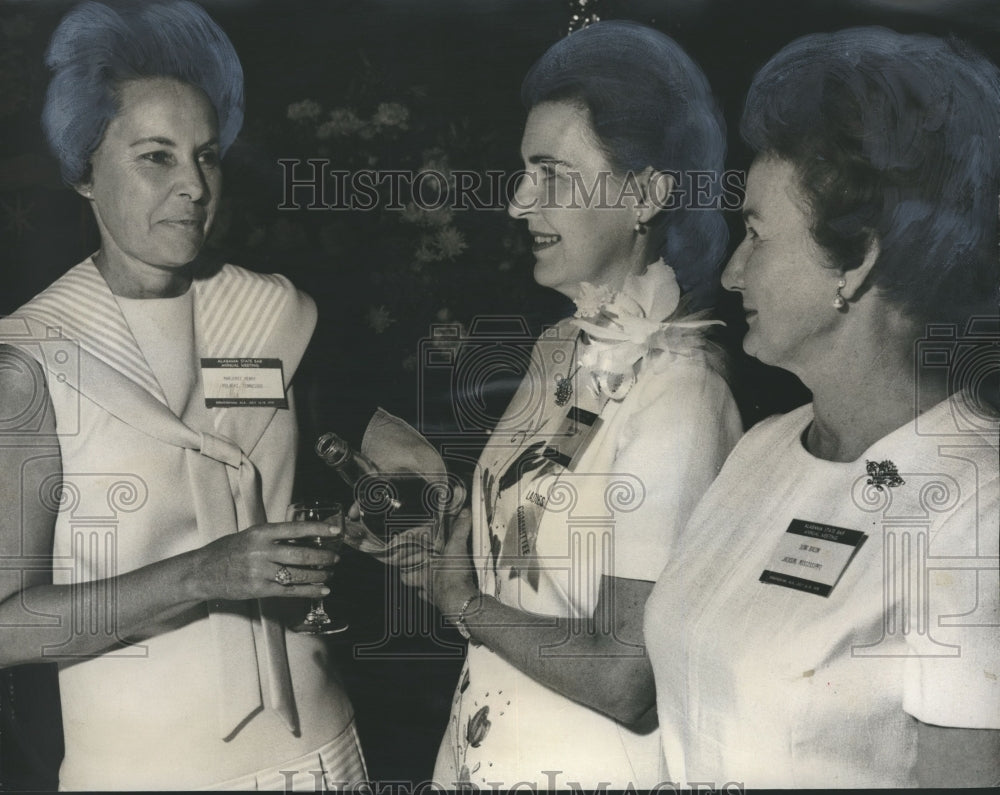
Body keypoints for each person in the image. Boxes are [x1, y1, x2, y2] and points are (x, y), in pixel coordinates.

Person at [0, 1, 366, 789]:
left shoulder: (275, 311)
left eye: (207, 157)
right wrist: (199, 575)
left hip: (321, 748)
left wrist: (390, 492)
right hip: (145, 769)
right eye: (156, 158)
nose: (195, 187)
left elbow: (347, 445)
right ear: (82, 172)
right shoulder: (29, 362)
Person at [644, 27, 1000, 788]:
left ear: (860, 257)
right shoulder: (763, 448)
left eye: (757, 234)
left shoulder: (978, 505)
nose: (732, 271)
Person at [390, 21, 742, 790]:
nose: (519, 203)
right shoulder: (560, 343)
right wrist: (433, 532)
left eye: (551, 174)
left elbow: (625, 675)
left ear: (646, 193)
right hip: (479, 747)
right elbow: (526, 549)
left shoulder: (682, 395)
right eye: (523, 172)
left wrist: (462, 600)